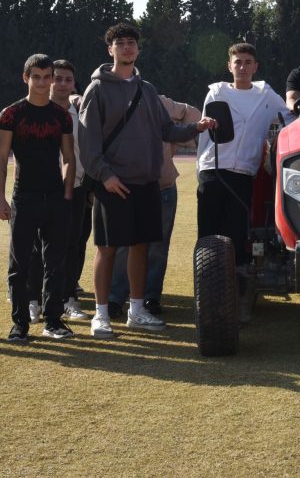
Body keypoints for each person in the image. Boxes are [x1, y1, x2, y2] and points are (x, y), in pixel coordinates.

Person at [78, 23, 214, 339]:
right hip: (113, 183)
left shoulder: (148, 90)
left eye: (131, 42)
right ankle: (101, 315)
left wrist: (195, 128)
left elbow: (167, 130)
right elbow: (88, 142)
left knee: (141, 247)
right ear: (110, 49)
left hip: (147, 182)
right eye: (120, 43)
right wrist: (106, 176)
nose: (127, 47)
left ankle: (136, 311)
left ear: (138, 50)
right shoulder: (96, 90)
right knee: (107, 249)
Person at [199, 42, 294, 323]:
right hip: (213, 169)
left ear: (256, 67)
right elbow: (205, 131)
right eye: (237, 62)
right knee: (209, 235)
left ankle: (237, 298)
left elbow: (291, 118)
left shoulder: (267, 96)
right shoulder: (216, 93)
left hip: (243, 174)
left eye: (247, 62)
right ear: (229, 66)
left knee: (238, 236)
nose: (242, 67)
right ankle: (207, 299)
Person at [0, 54, 77, 342]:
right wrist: (0, 198)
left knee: (55, 262)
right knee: (19, 264)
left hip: (55, 196)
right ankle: (19, 324)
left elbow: (69, 157)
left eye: (47, 77)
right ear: (26, 77)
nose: (42, 82)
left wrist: (67, 194)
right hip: (24, 196)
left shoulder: (61, 116)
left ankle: (53, 321)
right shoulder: (11, 114)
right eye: (36, 77)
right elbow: (1, 158)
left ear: (52, 79)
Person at [108, 95, 202, 315]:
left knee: (158, 247)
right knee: (123, 246)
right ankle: (116, 297)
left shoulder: (161, 102)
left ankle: (150, 297)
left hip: (162, 186)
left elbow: (193, 114)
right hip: (128, 187)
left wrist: (177, 138)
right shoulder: (113, 99)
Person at [24, 60, 92, 323]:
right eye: (58, 78)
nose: (62, 84)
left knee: (71, 245)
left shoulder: (81, 113)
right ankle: (33, 300)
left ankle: (68, 298)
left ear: (74, 84)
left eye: (67, 79)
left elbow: (85, 152)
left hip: (74, 188)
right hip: (38, 189)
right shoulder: (32, 109)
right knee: (35, 248)